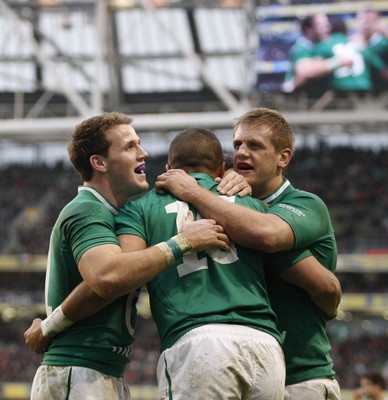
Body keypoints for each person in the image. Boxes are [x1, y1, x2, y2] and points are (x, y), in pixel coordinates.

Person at [25, 112, 230, 400]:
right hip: (79, 369)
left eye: (140, 144)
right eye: (130, 146)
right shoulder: (87, 210)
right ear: (100, 162)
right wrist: (182, 241)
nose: (143, 153)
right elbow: (106, 278)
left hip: (100, 371)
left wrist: (231, 178)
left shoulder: (118, 217)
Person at [155, 107, 341, 399]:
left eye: (254, 145)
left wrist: (194, 192)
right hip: (251, 367)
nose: (242, 153)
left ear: (284, 157)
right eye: (237, 145)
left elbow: (266, 235)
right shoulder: (232, 203)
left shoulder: (306, 204)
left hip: (302, 376)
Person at [282, 12, 352, 94]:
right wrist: (336, 62)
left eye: (326, 24)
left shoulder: (321, 45)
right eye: (320, 25)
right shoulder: (302, 48)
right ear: (308, 30)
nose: (326, 28)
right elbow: (304, 72)